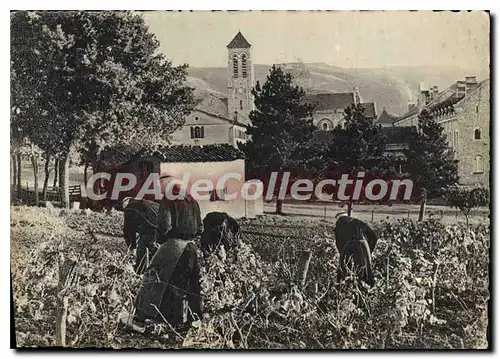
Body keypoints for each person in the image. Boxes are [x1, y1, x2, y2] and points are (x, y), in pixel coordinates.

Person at [128, 175, 204, 329]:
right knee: (190, 283)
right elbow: (201, 228)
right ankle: (192, 320)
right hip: (191, 247)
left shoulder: (168, 200)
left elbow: (165, 226)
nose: (160, 190)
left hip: (173, 244)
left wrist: (161, 240)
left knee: (154, 277)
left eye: (161, 186)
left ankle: (141, 319)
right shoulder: (193, 202)